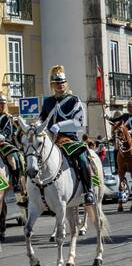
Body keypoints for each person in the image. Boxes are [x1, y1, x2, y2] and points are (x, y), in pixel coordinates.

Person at [40, 65, 95, 205]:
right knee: (35, 158)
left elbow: (78, 122)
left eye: (62, 83)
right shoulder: (48, 102)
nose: (60, 86)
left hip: (69, 139)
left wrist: (60, 125)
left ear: (66, 83)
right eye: (57, 83)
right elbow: (42, 119)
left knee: (82, 158)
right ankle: (35, 194)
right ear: (53, 85)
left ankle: (89, 191)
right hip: (52, 140)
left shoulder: (73, 100)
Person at [0, 91, 25, 197]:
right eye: (0, 103)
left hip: (4, 142)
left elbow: (6, 132)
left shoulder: (8, 117)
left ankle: (16, 181)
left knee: (13, 159)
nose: (2, 105)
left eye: (3, 103)